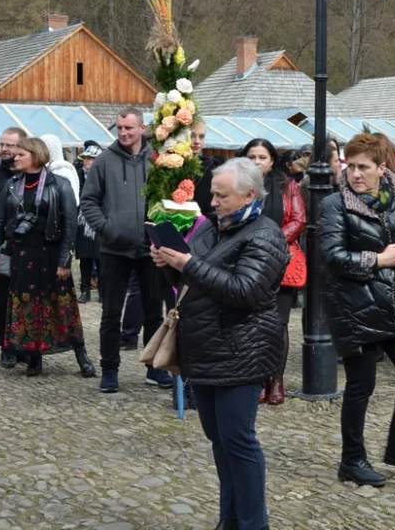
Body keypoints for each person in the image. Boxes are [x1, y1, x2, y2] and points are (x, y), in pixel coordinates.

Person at [151, 158, 287, 530]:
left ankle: (253, 524)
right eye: (212, 193)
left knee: (239, 441)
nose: (212, 201)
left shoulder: (265, 234)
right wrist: (168, 263)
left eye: (220, 195)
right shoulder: (211, 229)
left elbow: (246, 291)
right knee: (219, 441)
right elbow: (190, 283)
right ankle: (230, 520)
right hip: (204, 350)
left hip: (241, 351)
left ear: (248, 195)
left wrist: (188, 264)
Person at [318, 133, 395, 488]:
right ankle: (352, 460)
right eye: (350, 166)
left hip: (394, 304)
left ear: (382, 169)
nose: (354, 173)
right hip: (354, 308)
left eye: (363, 167)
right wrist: (379, 259)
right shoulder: (334, 205)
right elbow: (331, 257)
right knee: (360, 386)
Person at [0, 137, 95, 379]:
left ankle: (81, 355)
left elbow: (69, 225)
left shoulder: (60, 184)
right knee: (28, 308)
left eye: (21, 153)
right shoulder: (12, 184)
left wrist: (64, 261)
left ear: (35, 155)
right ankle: (34, 358)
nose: (16, 157)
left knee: (63, 307)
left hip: (51, 255)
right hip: (22, 255)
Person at [80, 107, 168, 392]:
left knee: (154, 312)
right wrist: (108, 228)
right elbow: (88, 201)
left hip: (150, 248)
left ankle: (154, 368)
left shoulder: (158, 160)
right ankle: (110, 369)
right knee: (111, 314)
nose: (124, 133)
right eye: (119, 128)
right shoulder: (104, 161)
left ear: (143, 128)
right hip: (114, 250)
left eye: (129, 128)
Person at [242, 138, 306, 406]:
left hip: (280, 260)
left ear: (272, 161)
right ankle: (256, 378)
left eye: (262, 157)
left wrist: (272, 240)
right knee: (252, 323)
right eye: (252, 157)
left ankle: (276, 379)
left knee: (279, 324)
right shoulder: (239, 184)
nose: (257, 162)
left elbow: (299, 219)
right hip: (247, 262)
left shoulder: (286, 185)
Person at [75, 145, 103, 303]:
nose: (87, 161)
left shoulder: (103, 175)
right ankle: (85, 290)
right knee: (85, 258)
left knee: (100, 258)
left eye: (91, 158)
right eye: (86, 158)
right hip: (82, 221)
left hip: (98, 221)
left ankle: (102, 291)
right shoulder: (79, 175)